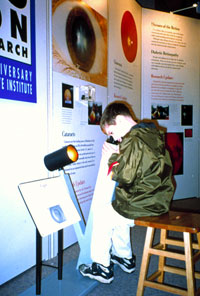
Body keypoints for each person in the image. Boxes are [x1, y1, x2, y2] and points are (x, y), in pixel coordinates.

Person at [79, 101, 174, 284]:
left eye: (112, 133)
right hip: (158, 200)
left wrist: (111, 157)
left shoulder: (134, 139)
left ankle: (102, 268)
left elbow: (125, 176)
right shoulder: (150, 133)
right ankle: (124, 257)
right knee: (117, 207)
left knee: (102, 215)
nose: (115, 138)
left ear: (120, 120)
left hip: (145, 204)